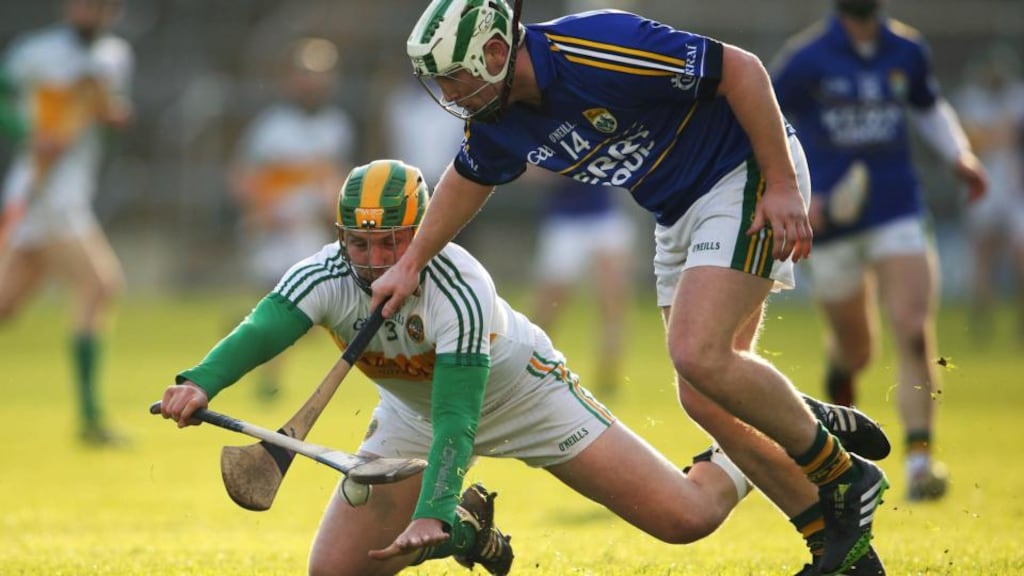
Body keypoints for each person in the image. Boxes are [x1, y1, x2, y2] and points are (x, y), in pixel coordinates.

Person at [158, 160, 889, 576]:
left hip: (526, 396)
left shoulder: (459, 290)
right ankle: (470, 531)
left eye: (394, 242)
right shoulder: (325, 273)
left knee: (686, 520)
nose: (375, 260)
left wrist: (431, 507)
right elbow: (264, 328)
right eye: (360, 243)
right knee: (335, 573)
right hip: (411, 416)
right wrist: (199, 383)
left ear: (425, 230)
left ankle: (749, 435)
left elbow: (459, 415)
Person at [369, 2, 891, 574]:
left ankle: (845, 475)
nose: (449, 93)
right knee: (705, 396)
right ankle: (841, 551)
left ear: (495, 52)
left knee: (698, 353)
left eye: (454, 76)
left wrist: (784, 184)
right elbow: (468, 177)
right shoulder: (499, 114)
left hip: (743, 171)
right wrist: (411, 263)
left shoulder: (596, 46)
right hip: (675, 209)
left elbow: (741, 69)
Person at [771, 0, 988, 502]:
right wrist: (797, 190)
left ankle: (919, 463)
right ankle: (841, 420)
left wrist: (959, 156)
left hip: (897, 209)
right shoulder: (807, 57)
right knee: (856, 350)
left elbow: (928, 106)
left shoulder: (906, 49)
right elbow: (767, 122)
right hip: (831, 223)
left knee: (912, 330)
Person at [0, 0, 133, 447]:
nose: (88, 12)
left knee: (5, 306)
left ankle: (91, 420)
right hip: (44, 192)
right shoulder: (35, 51)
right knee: (100, 284)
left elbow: (104, 118)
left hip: (68, 191)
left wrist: (112, 119)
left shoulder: (115, 56)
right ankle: (91, 418)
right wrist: (26, 130)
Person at [228, 36, 355, 400]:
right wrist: (262, 211)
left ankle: (248, 337)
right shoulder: (271, 126)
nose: (311, 82)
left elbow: (337, 180)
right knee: (287, 304)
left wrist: (333, 211)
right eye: (305, 74)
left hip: (310, 231)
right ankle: (268, 377)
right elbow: (242, 177)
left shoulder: (336, 125)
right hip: (275, 231)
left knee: (307, 311)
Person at [528, 174, 635, 398]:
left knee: (611, 302)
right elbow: (529, 172)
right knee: (549, 306)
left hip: (603, 217)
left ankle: (608, 377)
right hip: (565, 222)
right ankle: (528, 363)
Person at [953, 43, 1024, 342]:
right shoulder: (970, 98)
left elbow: (1005, 135)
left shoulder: (1016, 95)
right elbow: (974, 140)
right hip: (981, 185)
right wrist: (999, 133)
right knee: (982, 254)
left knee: (1020, 255)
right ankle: (981, 321)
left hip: (1014, 187)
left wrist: (993, 134)